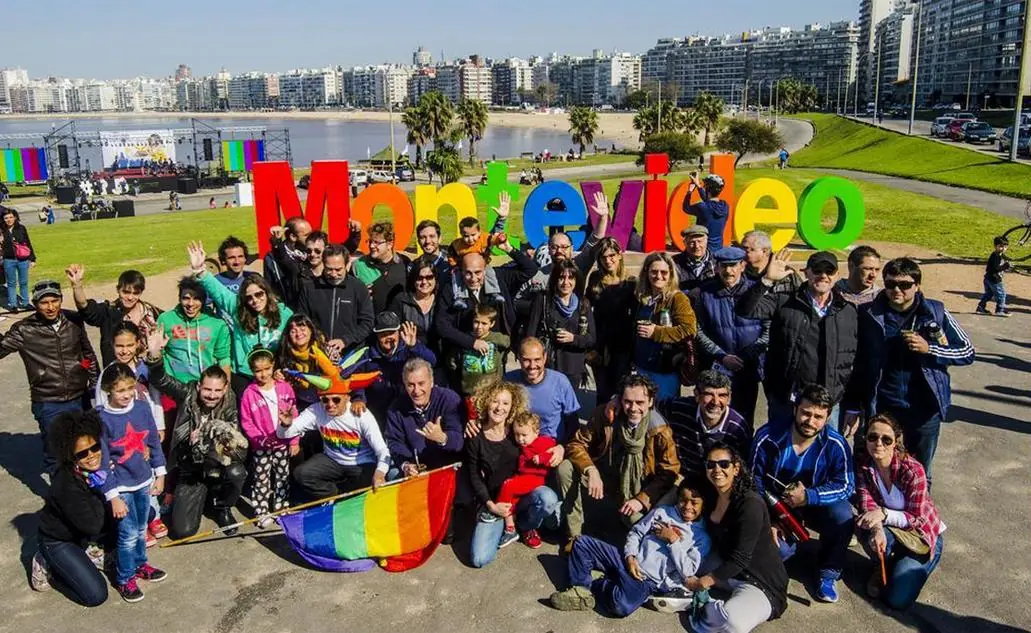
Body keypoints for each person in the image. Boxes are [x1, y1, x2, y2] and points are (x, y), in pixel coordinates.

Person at [845, 258, 974, 481]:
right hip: (883, 405)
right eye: (890, 284)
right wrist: (853, 405)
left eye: (904, 285)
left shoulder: (935, 312)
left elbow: (967, 351)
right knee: (878, 467)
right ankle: (881, 513)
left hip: (924, 408)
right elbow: (860, 363)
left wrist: (930, 349)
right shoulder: (869, 314)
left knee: (920, 472)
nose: (897, 290)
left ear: (917, 285)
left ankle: (918, 515)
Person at [751, 384, 855, 603]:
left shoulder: (836, 444)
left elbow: (846, 485)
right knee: (778, 552)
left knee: (843, 515)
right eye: (806, 413)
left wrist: (810, 496)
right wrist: (768, 519)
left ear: (827, 417)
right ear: (795, 409)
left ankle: (828, 573)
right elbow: (753, 481)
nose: (810, 421)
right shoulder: (767, 436)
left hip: (817, 504)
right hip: (777, 506)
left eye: (818, 416)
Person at [548, 479, 712, 616]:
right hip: (627, 560)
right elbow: (636, 532)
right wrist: (630, 556)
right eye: (683, 500)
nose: (687, 506)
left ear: (703, 505)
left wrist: (673, 540)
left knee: (621, 606)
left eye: (694, 502)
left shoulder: (701, 538)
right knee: (581, 543)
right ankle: (581, 589)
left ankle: (601, 585)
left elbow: (688, 571)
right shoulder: (663, 512)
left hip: (646, 580)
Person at [738, 250, 858, 429]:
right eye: (817, 270)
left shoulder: (848, 311)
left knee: (824, 454)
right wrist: (766, 281)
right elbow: (744, 309)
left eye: (829, 271)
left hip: (828, 404)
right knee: (780, 450)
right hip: (787, 399)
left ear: (837, 275)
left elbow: (852, 357)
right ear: (806, 272)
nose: (823, 276)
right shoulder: (784, 301)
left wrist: (845, 397)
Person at [558, 374, 680, 548]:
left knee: (637, 523)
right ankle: (574, 535)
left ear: (651, 402)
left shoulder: (658, 430)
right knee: (565, 468)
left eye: (640, 403)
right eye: (628, 401)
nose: (633, 408)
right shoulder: (606, 414)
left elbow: (669, 472)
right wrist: (590, 469)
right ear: (620, 400)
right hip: (604, 474)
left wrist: (642, 499)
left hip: (639, 488)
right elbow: (577, 443)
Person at [144, 331, 246, 539]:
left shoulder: (230, 401)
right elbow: (161, 380)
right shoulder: (188, 393)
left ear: (225, 388)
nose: (212, 395)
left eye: (217, 391)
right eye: (207, 389)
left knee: (237, 473)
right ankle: (203, 496)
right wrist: (155, 356)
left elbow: (239, 448)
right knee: (183, 531)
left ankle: (222, 506)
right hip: (191, 468)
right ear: (199, 386)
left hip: (219, 464)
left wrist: (222, 445)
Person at [0, 279, 98, 475]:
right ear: (36, 304)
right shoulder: (24, 329)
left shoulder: (73, 320)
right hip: (49, 401)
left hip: (80, 396)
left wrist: (95, 384)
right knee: (57, 455)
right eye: (44, 303)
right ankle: (63, 499)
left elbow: (88, 355)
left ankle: (90, 495)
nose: (50, 307)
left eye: (55, 301)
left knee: (87, 450)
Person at [691, 443, 788, 633]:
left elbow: (741, 558)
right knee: (682, 564)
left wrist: (702, 582)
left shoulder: (750, 504)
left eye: (724, 464)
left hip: (758, 581)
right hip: (726, 568)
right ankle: (701, 598)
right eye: (711, 465)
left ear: (736, 469)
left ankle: (705, 604)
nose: (717, 470)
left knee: (732, 624)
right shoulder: (711, 495)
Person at [854, 413, 945, 610]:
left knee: (897, 600)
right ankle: (884, 562)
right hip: (892, 530)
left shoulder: (912, 470)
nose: (878, 443)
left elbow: (916, 519)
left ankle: (923, 561)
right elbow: (866, 504)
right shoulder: (864, 465)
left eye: (886, 439)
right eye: (872, 437)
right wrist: (877, 528)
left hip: (920, 536)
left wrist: (884, 514)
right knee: (861, 525)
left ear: (896, 442)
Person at [467, 381, 562, 567]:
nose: (499, 408)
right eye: (495, 401)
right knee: (479, 559)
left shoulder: (517, 432)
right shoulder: (475, 434)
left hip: (522, 496)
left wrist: (559, 448)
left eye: (505, 403)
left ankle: (525, 526)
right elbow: (474, 476)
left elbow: (544, 440)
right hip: (495, 503)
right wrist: (490, 505)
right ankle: (507, 525)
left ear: (512, 407)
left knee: (547, 498)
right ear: (486, 402)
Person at [96, 363, 168, 603]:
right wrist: (113, 496)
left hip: (144, 479)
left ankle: (140, 564)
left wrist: (160, 474)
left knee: (140, 528)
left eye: (130, 388)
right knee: (127, 534)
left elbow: (154, 444)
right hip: (122, 487)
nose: (127, 394)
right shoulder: (103, 418)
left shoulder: (140, 407)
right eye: (120, 390)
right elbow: (102, 462)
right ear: (108, 390)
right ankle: (125, 577)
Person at [189, 241, 293, 394]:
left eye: (259, 294)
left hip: (273, 374)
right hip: (244, 375)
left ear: (267, 293)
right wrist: (200, 270)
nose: (254, 300)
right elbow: (218, 291)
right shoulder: (239, 309)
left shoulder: (284, 313)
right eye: (249, 297)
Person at [30, 411, 110, 606]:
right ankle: (46, 561)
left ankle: (85, 552)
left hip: (83, 532)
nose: (92, 456)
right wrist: (109, 494)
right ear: (70, 455)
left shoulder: (98, 468)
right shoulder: (65, 485)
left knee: (142, 514)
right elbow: (93, 525)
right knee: (95, 595)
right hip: (59, 540)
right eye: (83, 453)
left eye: (95, 447)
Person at [278, 370, 389, 499]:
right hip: (332, 460)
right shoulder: (316, 410)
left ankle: (346, 497)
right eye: (325, 400)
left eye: (336, 400)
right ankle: (333, 495)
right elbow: (283, 435)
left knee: (366, 487)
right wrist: (285, 424)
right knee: (301, 474)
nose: (330, 405)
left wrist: (380, 473)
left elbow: (382, 449)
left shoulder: (361, 414)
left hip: (361, 463)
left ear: (347, 397)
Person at [691, 246, 769, 425]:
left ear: (743, 265)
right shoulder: (703, 294)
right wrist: (722, 356)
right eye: (723, 266)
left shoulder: (757, 292)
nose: (728, 271)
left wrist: (746, 355)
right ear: (717, 267)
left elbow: (768, 329)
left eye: (733, 265)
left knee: (744, 420)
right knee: (713, 417)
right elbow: (698, 330)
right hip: (717, 369)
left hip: (748, 368)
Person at [436, 238, 538, 373]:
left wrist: (509, 249)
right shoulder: (452, 289)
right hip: (465, 360)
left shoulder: (498, 278)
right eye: (468, 273)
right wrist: (472, 343)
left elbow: (530, 269)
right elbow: (441, 325)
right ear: (461, 271)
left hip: (496, 356)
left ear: (486, 269)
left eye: (478, 272)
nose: (473, 279)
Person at [239, 348, 299, 529]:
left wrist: (294, 439)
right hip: (261, 445)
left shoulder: (284, 387)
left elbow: (294, 413)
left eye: (266, 369)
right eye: (258, 370)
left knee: (283, 476)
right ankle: (262, 512)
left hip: (283, 442)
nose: (263, 374)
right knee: (261, 478)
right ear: (252, 371)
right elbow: (246, 422)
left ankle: (282, 508)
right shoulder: (249, 393)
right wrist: (259, 439)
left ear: (273, 366)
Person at [632, 252, 698, 402]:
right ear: (646, 273)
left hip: (664, 370)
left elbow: (689, 329)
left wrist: (657, 332)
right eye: (654, 272)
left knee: (664, 415)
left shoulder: (677, 298)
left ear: (670, 274)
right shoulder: (642, 298)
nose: (658, 276)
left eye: (663, 272)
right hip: (641, 367)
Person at [384, 358, 464, 479]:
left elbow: (459, 441)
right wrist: (406, 465)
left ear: (431, 382)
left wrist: (442, 437)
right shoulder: (396, 408)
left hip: (448, 467)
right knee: (392, 474)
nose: (416, 391)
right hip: (416, 470)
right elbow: (394, 442)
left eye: (421, 384)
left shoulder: (449, 399)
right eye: (411, 385)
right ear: (404, 385)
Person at [665, 370, 752, 481]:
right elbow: (650, 408)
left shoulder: (737, 428)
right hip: (680, 479)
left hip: (717, 485)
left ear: (729, 398)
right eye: (709, 394)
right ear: (697, 395)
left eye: (722, 395)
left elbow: (742, 471)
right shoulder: (678, 408)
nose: (715, 402)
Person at [295, 244, 375, 362]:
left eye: (338, 269)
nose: (333, 274)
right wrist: (319, 341)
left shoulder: (358, 288)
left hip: (350, 354)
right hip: (318, 353)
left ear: (347, 265)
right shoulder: (309, 289)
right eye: (329, 269)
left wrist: (345, 341)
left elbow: (367, 323)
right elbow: (302, 321)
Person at [68, 266, 162, 367]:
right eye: (126, 292)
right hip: (118, 375)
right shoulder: (108, 311)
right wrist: (77, 285)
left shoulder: (153, 312)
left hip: (149, 373)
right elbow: (84, 306)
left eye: (135, 293)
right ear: (118, 290)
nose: (130, 297)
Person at [524, 259, 596, 389]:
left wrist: (574, 338)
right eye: (561, 278)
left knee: (568, 407)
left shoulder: (583, 303)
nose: (566, 283)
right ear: (555, 279)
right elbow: (531, 334)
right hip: (548, 365)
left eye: (571, 278)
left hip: (573, 367)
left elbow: (591, 339)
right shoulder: (543, 300)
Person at [354, 312, 437, 422]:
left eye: (392, 333)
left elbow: (432, 362)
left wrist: (414, 346)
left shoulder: (409, 348)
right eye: (383, 334)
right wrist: (359, 398)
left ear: (399, 332)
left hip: (406, 409)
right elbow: (356, 378)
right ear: (377, 335)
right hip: (377, 409)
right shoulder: (368, 355)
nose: (389, 337)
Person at [585, 236, 636, 404]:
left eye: (612, 255)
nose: (608, 260)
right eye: (603, 257)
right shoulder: (595, 279)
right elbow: (586, 310)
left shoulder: (631, 282)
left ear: (620, 255)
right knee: (602, 391)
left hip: (622, 344)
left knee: (620, 389)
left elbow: (636, 315)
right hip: (599, 342)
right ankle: (601, 426)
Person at [493, 412, 556, 548]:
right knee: (512, 497)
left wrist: (542, 458)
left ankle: (510, 526)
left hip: (535, 479)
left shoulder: (543, 442)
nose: (520, 439)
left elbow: (553, 450)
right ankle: (512, 518)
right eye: (517, 434)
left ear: (536, 432)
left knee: (508, 486)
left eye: (524, 435)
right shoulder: (519, 446)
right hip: (523, 478)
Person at [502, 337, 581, 443]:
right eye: (526, 360)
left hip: (550, 447)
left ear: (544, 358)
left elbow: (573, 422)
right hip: (518, 443)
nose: (532, 366)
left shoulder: (560, 381)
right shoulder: (508, 381)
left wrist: (562, 447)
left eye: (537, 360)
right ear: (519, 358)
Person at [275, 312, 339, 413]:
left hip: (329, 403)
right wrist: (278, 374)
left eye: (302, 329)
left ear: (311, 330)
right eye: (293, 331)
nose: (298, 333)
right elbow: (281, 375)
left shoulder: (328, 351)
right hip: (303, 405)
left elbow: (341, 379)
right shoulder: (285, 356)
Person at [454, 304, 510, 410]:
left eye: (484, 323)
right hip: (469, 393)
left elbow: (508, 342)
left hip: (491, 393)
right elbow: (452, 361)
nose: (479, 327)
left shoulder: (496, 338)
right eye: (476, 322)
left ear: (492, 324)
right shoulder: (465, 339)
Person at [388, 255, 442, 354]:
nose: (424, 282)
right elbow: (392, 329)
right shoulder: (401, 300)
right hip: (408, 353)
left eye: (429, 277)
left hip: (438, 355)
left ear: (435, 279)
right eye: (419, 278)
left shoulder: (441, 300)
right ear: (413, 280)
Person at [362, 222, 411, 314]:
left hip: (398, 323)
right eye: (370, 241)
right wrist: (360, 292)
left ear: (390, 244)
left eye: (376, 242)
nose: (371, 246)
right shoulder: (359, 265)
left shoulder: (405, 263)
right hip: (371, 323)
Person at [264, 217, 312, 307]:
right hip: (288, 307)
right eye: (307, 235)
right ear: (293, 237)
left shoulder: (311, 252)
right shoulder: (272, 258)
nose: (311, 238)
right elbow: (269, 286)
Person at [1, 206, 36, 312]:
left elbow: (28, 243)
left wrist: (32, 259)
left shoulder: (21, 228)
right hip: (8, 260)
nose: (9, 220)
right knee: (11, 283)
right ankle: (13, 305)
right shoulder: (1, 230)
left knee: (24, 282)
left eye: (11, 217)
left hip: (22, 259)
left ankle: (25, 303)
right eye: (6, 218)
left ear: (15, 217)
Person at [684, 173, 729, 253]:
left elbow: (686, 208)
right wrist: (698, 186)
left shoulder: (702, 207)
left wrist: (690, 191)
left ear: (707, 189)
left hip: (703, 250)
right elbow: (709, 203)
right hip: (718, 249)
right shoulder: (725, 206)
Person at [673, 225, 717, 292]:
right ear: (684, 243)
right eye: (692, 242)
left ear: (706, 241)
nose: (697, 246)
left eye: (700, 241)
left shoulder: (717, 262)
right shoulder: (674, 263)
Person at [976, 236, 1011, 316]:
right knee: (1001, 294)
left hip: (988, 278)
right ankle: (1000, 310)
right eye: (1001, 246)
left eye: (1005, 247)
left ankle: (980, 307)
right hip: (994, 280)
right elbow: (994, 268)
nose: (1003, 248)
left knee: (989, 294)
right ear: (995, 246)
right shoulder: (996, 256)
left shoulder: (998, 255)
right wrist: (1005, 266)